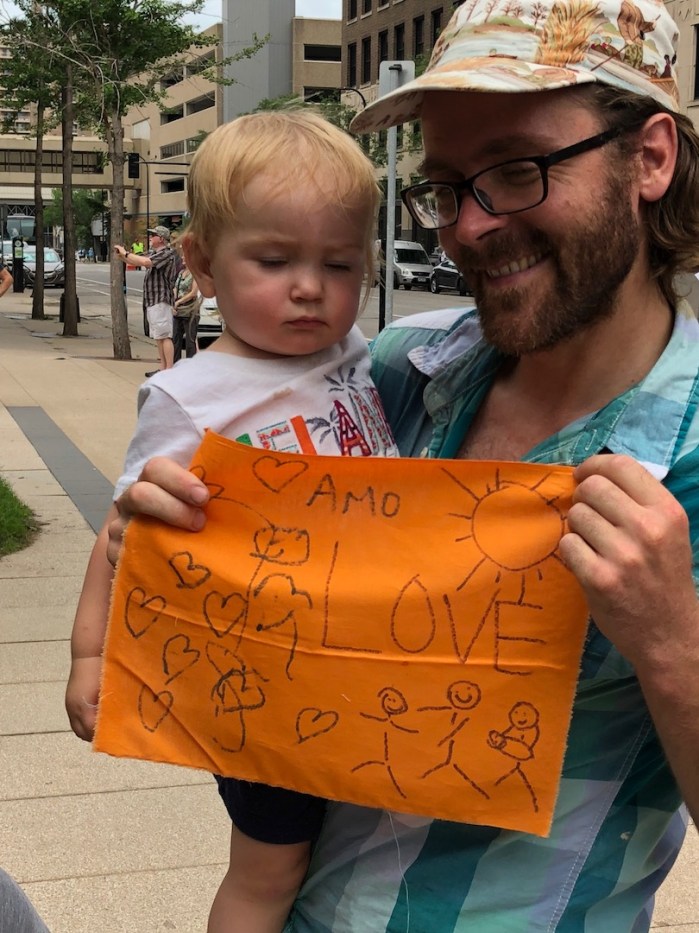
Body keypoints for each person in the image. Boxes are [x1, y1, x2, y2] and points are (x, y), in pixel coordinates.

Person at [105, 0, 699, 929]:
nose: (466, 226)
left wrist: (673, 646)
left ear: (650, 157)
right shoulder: (391, 375)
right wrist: (159, 547)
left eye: (515, 169)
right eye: (446, 186)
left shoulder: (692, 456)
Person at [66, 110, 399, 933]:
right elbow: (121, 534)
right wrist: (89, 654)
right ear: (203, 265)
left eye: (339, 262)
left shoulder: (352, 350)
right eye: (274, 260)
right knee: (269, 864)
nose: (310, 287)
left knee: (345, 836)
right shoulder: (192, 396)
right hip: (261, 682)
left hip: (352, 663)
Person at [114, 225, 178, 377]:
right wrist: (123, 256)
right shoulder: (154, 253)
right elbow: (138, 260)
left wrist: (126, 253)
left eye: (153, 235)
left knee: (164, 335)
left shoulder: (166, 254)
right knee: (158, 336)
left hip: (161, 299)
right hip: (152, 300)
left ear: (161, 238)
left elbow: (146, 262)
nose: (150, 238)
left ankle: (169, 369)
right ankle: (163, 367)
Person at [171, 249, 200, 362]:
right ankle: (175, 364)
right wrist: (174, 299)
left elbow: (193, 293)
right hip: (178, 311)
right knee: (175, 340)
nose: (182, 258)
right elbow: (175, 287)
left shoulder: (195, 274)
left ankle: (190, 366)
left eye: (185, 256)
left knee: (190, 342)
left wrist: (179, 301)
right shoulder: (181, 273)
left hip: (190, 311)